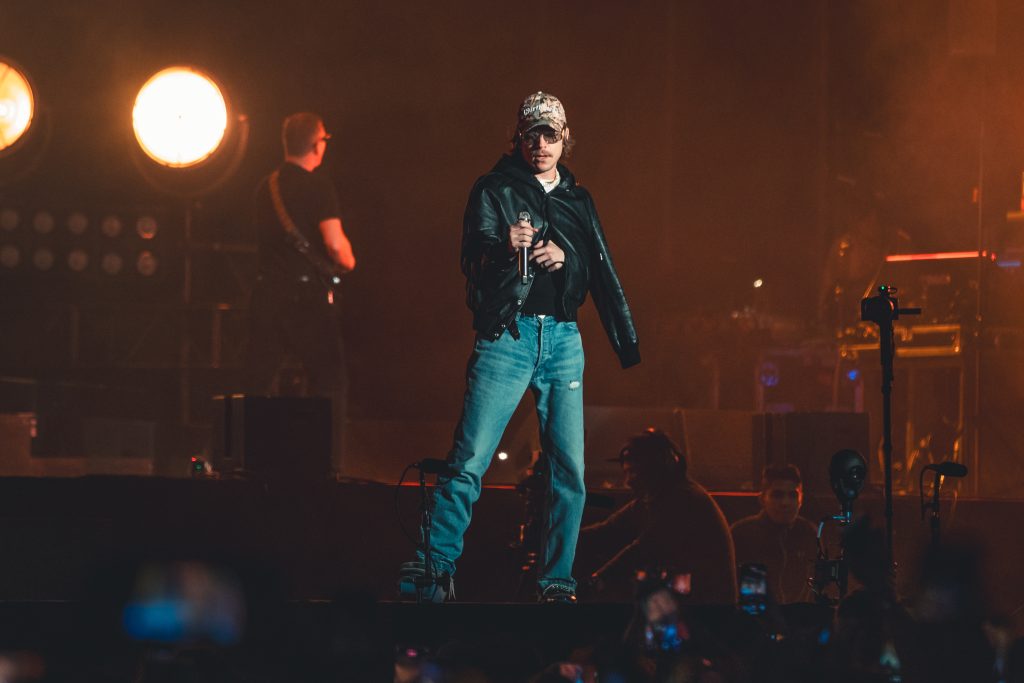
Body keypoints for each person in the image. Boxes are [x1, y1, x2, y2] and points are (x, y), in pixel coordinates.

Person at [399, 91, 640, 604]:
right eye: (532, 134)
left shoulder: (579, 198)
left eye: (550, 135)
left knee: (568, 470)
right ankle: (432, 570)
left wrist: (567, 260)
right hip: (506, 337)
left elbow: (599, 272)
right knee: (469, 460)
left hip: (562, 339)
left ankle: (556, 581)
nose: (541, 144)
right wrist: (504, 247)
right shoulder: (493, 190)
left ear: (565, 140)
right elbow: (471, 262)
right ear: (519, 138)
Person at [245, 112, 356, 473]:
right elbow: (336, 246)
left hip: (267, 297)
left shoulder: (266, 186)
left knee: (257, 383)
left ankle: (245, 463)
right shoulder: (318, 186)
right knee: (330, 382)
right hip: (306, 300)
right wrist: (348, 262)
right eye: (324, 139)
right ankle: (328, 469)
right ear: (315, 144)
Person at [580, 429, 737, 605]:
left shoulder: (682, 499)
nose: (628, 480)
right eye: (626, 473)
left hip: (706, 613)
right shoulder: (656, 497)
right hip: (687, 605)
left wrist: (596, 581)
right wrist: (556, 540)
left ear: (658, 468)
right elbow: (607, 531)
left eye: (634, 472)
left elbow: (644, 549)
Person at [730, 464, 819, 604]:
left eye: (793, 495)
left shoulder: (809, 534)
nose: (785, 503)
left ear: (801, 500)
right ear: (762, 499)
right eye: (777, 495)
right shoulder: (743, 535)